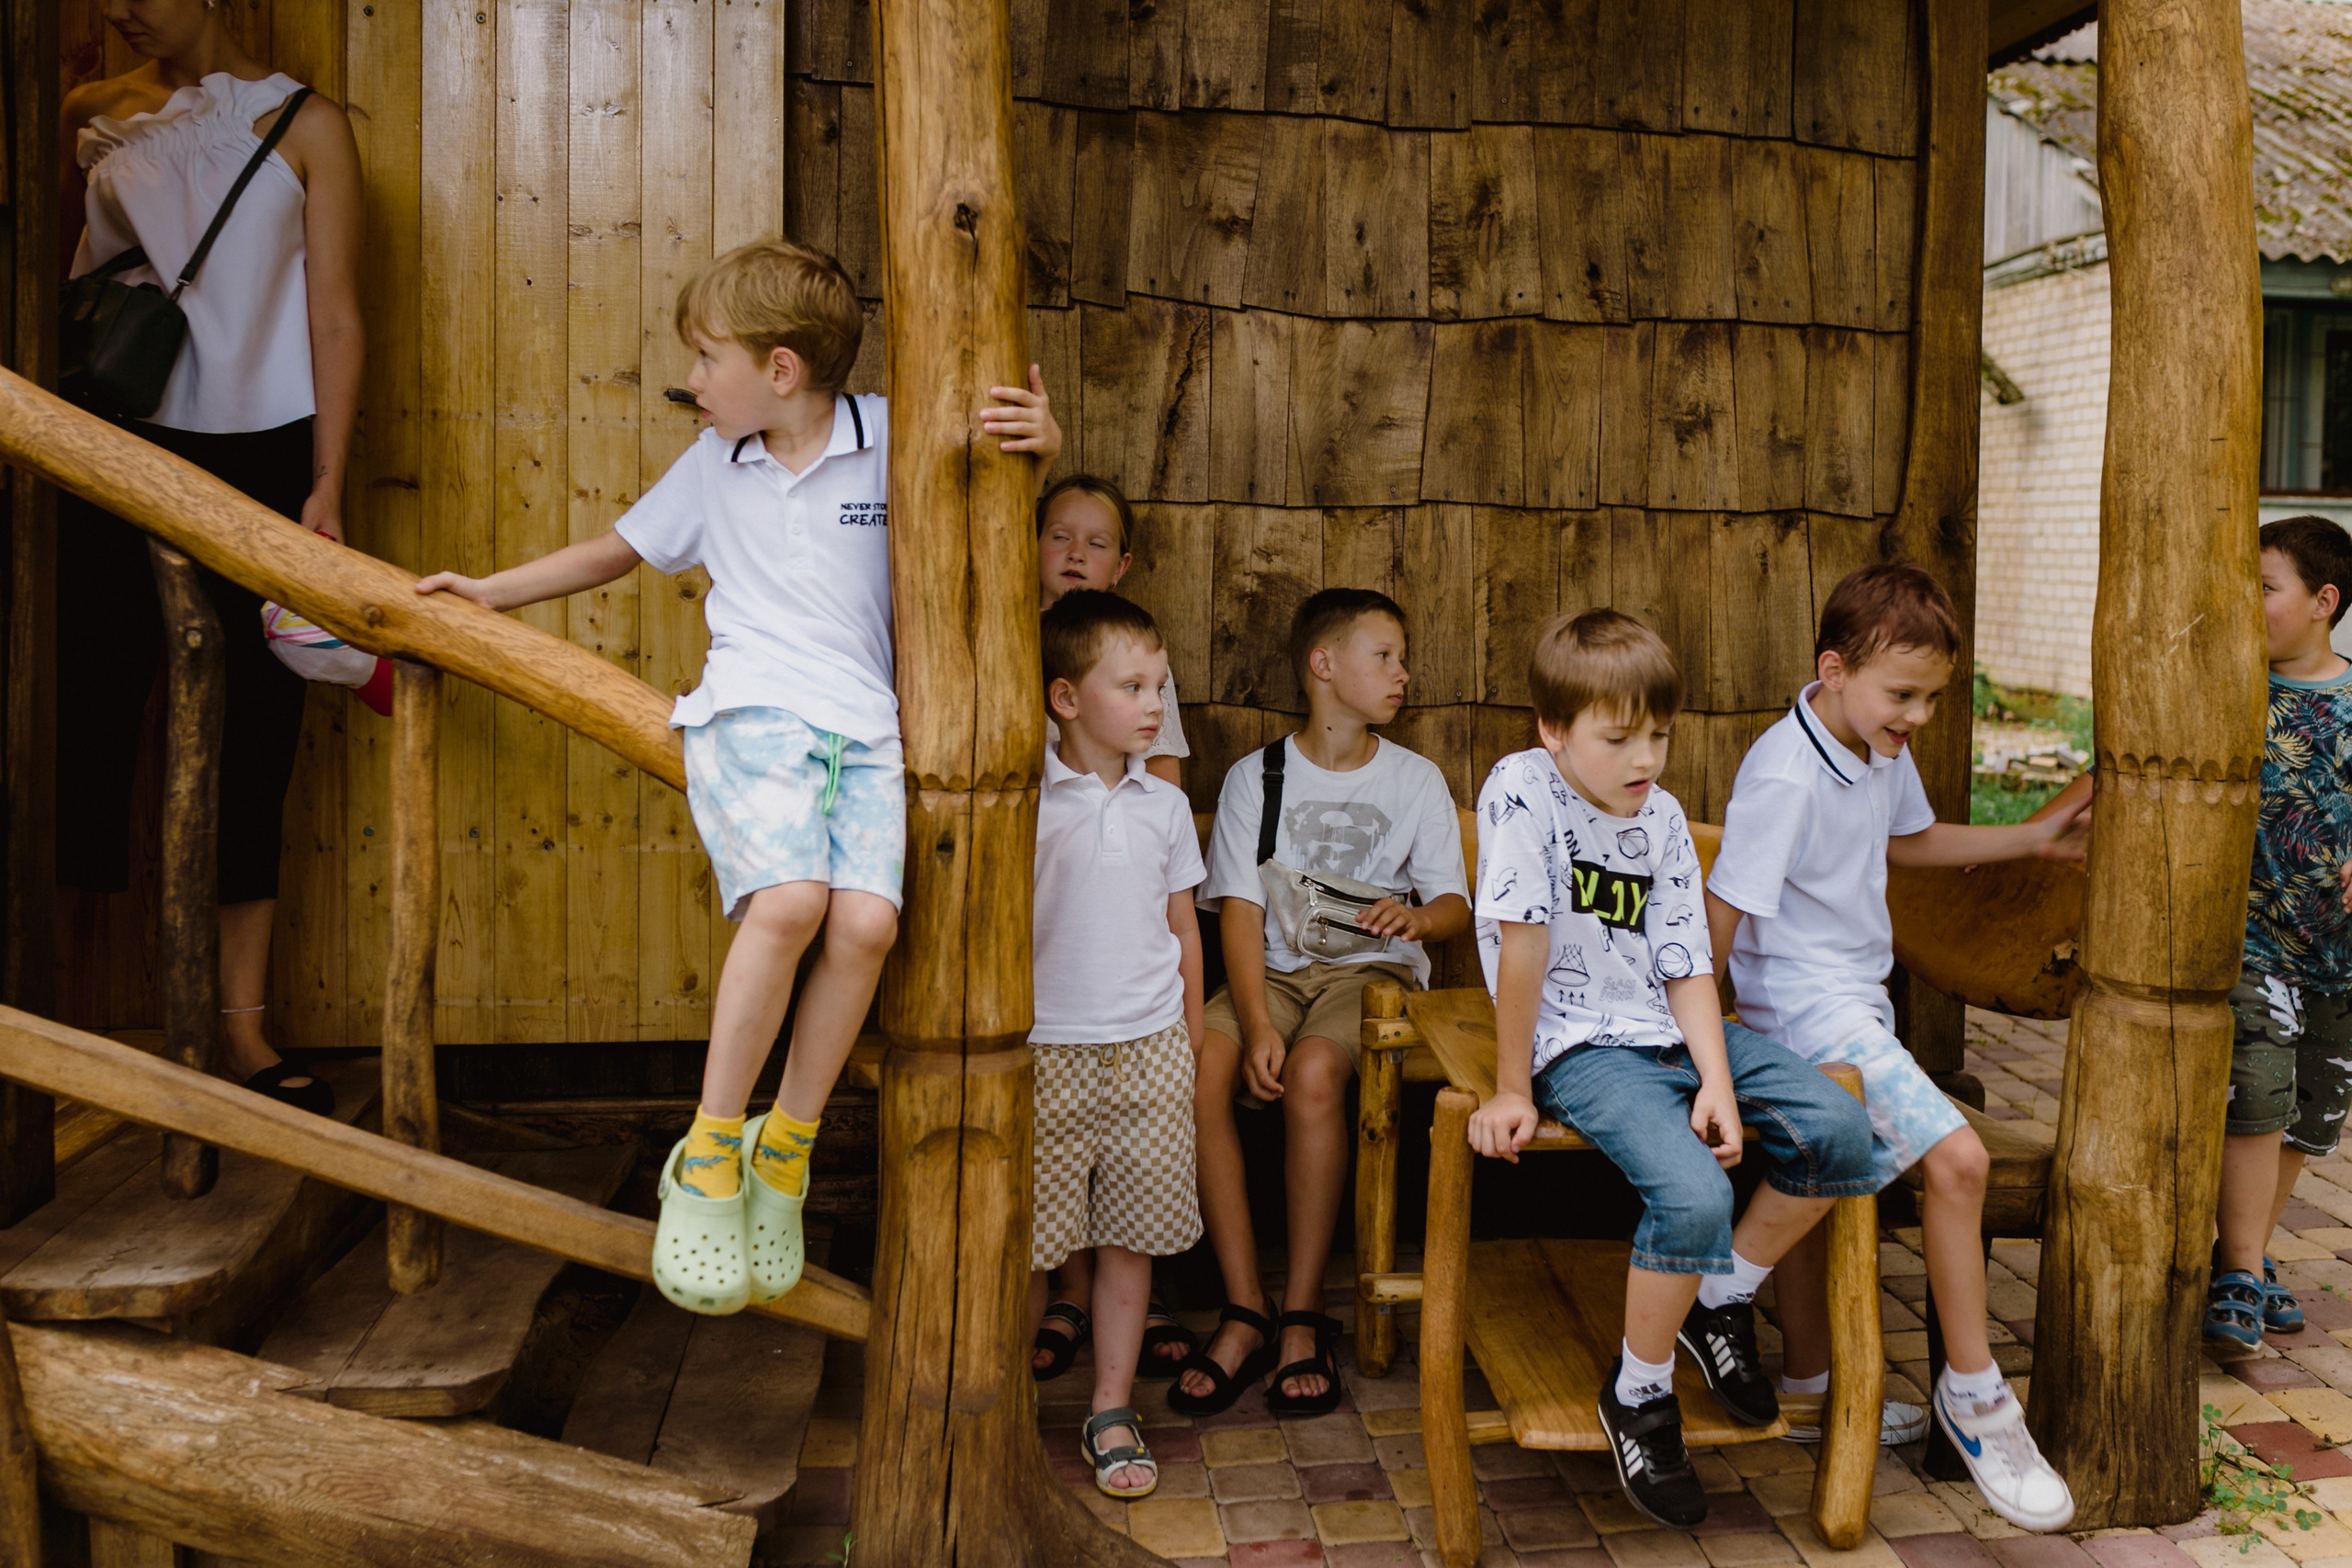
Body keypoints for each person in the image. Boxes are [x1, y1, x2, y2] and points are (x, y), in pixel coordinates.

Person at [415, 237, 1060, 1314]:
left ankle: (786, 1146)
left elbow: (994, 488)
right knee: (794, 903)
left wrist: (1040, 445)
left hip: (867, 726)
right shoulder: (714, 464)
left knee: (865, 928)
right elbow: (615, 551)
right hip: (753, 712)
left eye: (705, 358)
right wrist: (486, 591)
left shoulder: (893, 438)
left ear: (781, 370)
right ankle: (711, 1148)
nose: (690, 381)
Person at [1466, 610, 1877, 1529]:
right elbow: (1523, 947)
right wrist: (1508, 1086)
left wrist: (1719, 1088)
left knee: (1843, 1131)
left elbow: (1688, 962)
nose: (1643, 756)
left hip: (1668, 1027)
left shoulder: (1655, 818)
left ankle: (1720, 1294)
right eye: (1617, 738)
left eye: (1657, 733)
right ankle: (1640, 1392)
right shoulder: (1519, 792)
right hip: (1580, 1044)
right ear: (1553, 730)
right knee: (1691, 1198)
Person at [1705, 563, 2086, 1533]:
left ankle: (1804, 1385)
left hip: (1849, 1004)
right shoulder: (1786, 772)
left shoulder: (1868, 743)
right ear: (1833, 668)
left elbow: (1904, 842)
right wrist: (1705, 1055)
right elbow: (1721, 908)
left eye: (1929, 697)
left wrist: (2031, 841)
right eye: (1901, 694)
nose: (1916, 715)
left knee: (1822, 1182)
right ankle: (1974, 1397)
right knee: (1956, 1163)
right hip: (1801, 1010)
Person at [55, 0, 364, 1112]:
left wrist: (327, 479)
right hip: (114, 438)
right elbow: (77, 288)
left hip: (269, 446)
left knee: (257, 728)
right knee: (84, 708)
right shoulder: (93, 114)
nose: (123, 9)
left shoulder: (308, 124)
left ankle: (243, 1028)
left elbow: (332, 313)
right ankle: (61, 1029)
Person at [1173, 588, 1470, 1418]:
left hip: (1368, 976)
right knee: (1203, 1072)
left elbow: (1454, 905)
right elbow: (1238, 907)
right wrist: (1257, 1021)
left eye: (1402, 657)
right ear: (1324, 665)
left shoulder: (1415, 779)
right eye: (1385, 655)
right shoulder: (1255, 777)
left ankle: (1302, 1312)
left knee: (1311, 1077)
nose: (1402, 673)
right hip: (1269, 972)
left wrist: (1415, 916)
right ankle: (1245, 1305)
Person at [1027, 590, 1207, 1498]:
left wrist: (1192, 1037)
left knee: (1130, 1237)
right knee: (1023, 1239)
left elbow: (1182, 925)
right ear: (1066, 698)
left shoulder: (1163, 807)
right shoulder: (1024, 802)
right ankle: (998, 1409)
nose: (1151, 705)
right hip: (1046, 1049)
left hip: (1147, 1049)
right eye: (1131, 686)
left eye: (1158, 687)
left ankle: (1110, 1405)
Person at [2206, 517, 2352, 1348]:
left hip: (2336, 955)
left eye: (2264, 586)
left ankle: (2251, 1257)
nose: (2247, 601)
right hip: (2250, 938)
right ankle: (2235, 1270)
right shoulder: (2238, 689)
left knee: (2311, 1110)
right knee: (2257, 1089)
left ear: (2322, 601)